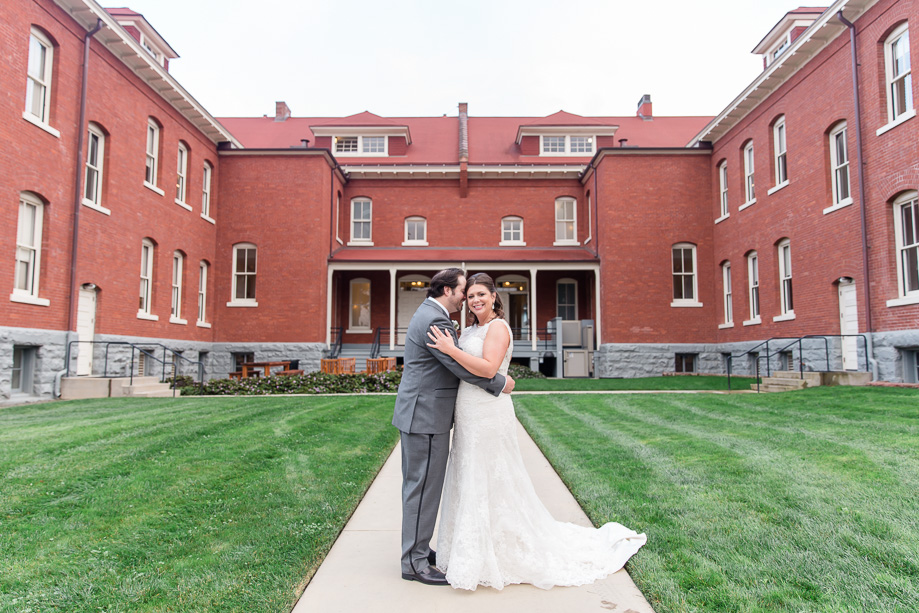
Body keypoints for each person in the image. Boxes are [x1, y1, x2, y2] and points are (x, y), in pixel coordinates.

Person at [426, 272, 646, 591]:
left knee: (491, 474)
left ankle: (501, 550)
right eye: (470, 295)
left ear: (493, 297)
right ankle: (469, 546)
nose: (475, 300)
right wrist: (454, 347)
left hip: (488, 411)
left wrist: (450, 349)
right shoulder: (471, 328)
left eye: (481, 295)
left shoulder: (499, 327)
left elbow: (488, 368)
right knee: (468, 471)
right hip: (468, 410)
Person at [393, 268, 515, 586]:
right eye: (464, 291)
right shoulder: (435, 319)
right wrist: (500, 382)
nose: (466, 297)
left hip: (422, 413)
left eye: (475, 293)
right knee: (422, 489)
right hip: (425, 415)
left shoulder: (431, 313)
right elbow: (457, 364)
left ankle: (416, 550)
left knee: (419, 487)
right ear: (448, 291)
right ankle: (415, 562)